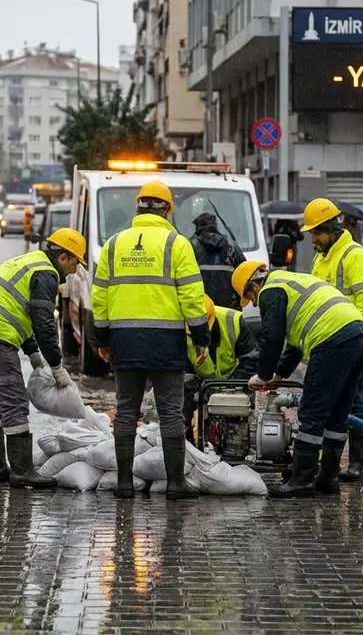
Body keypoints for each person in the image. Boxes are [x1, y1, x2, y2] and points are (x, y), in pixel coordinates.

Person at [93, 180, 210, 500]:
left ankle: (124, 484)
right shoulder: (177, 244)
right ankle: (175, 484)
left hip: (124, 339)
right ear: (168, 210)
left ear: (138, 208)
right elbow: (192, 296)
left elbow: (99, 296)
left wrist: (102, 339)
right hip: (166, 340)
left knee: (126, 410)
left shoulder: (114, 245)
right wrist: (201, 338)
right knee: (171, 412)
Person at [0, 228, 87, 489]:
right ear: (63, 257)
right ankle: (23, 471)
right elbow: (43, 323)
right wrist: (57, 366)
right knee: (14, 403)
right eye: (75, 262)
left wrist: (34, 354)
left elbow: (17, 310)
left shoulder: (28, 261)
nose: (74, 270)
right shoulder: (46, 274)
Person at [231, 261, 363, 498]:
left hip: (331, 338)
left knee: (312, 412)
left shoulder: (270, 290)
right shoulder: (294, 282)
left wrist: (262, 376)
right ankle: (328, 478)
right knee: (338, 412)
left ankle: (302, 479)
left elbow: (272, 337)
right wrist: (278, 376)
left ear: (254, 285)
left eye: (250, 297)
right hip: (359, 334)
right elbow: (294, 347)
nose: (255, 303)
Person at [302, 198, 363, 482]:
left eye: (316, 233)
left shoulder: (355, 256)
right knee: (330, 401)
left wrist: (353, 335)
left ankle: (356, 463)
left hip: (353, 340)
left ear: (332, 229)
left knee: (354, 399)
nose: (312, 239)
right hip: (329, 343)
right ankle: (328, 460)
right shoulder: (320, 258)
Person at [183, 295, 259, 441]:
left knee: (235, 427)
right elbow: (182, 368)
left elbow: (252, 358)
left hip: (233, 381)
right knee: (182, 409)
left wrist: (230, 386)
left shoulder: (233, 321)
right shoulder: (181, 329)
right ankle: (187, 445)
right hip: (200, 382)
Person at [190, 212, 246, 310]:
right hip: (229, 308)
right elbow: (244, 272)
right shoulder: (230, 244)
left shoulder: (190, 245)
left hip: (200, 308)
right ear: (215, 226)